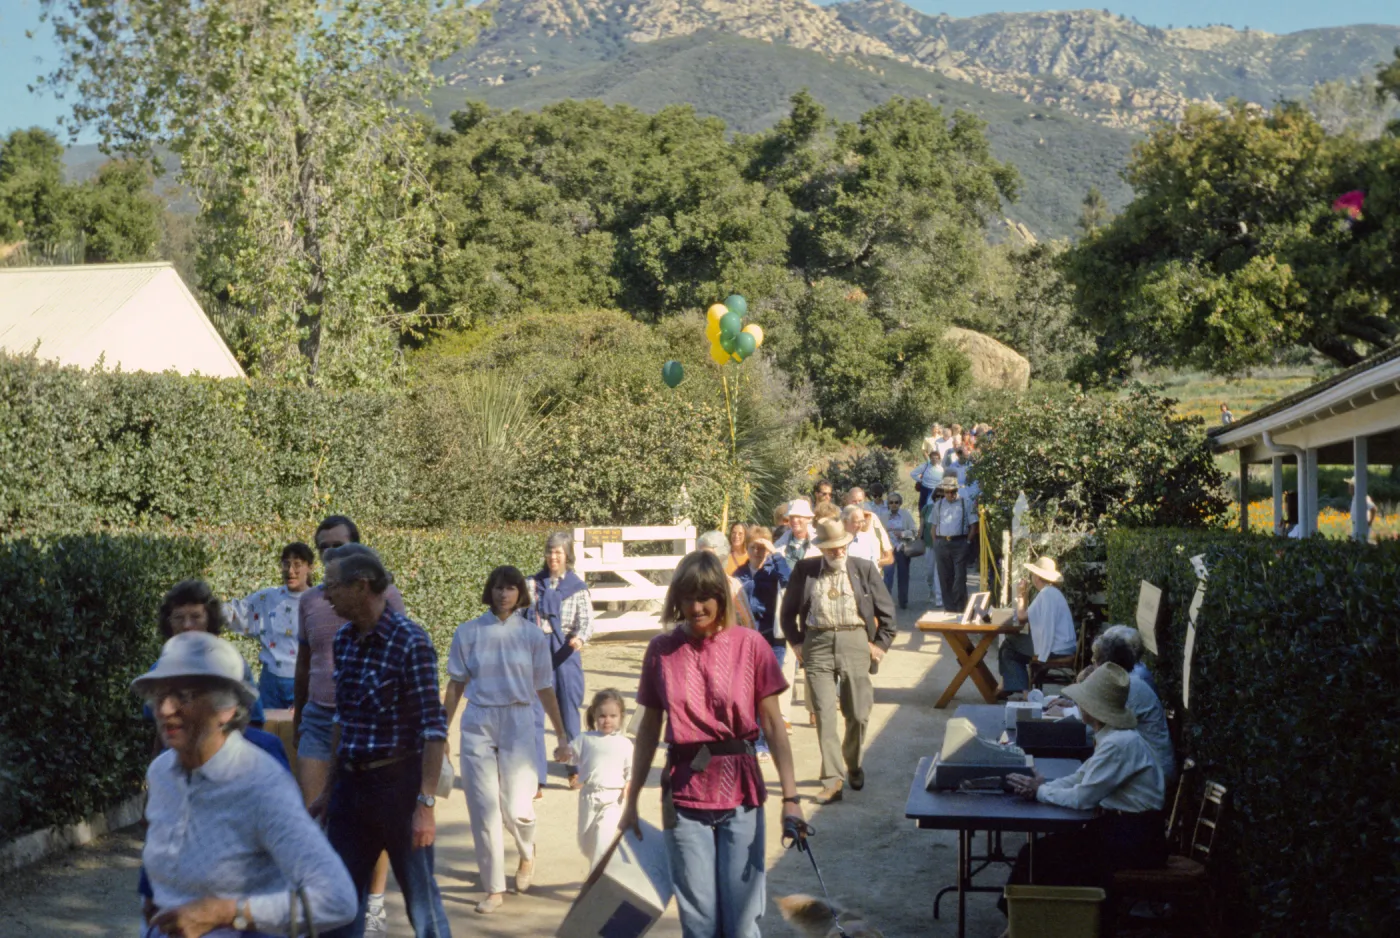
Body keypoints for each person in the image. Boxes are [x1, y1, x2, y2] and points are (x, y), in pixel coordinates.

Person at [621, 550, 803, 938]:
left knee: (741, 923)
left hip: (741, 793)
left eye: (705, 597)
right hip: (684, 797)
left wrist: (792, 798)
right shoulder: (661, 650)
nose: (696, 606)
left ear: (722, 596)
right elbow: (649, 729)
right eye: (687, 597)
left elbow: (772, 721)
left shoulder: (751, 645)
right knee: (699, 922)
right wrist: (632, 797)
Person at [135, 631, 357, 938]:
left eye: (183, 695)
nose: (165, 709)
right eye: (159, 695)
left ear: (225, 708)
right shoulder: (161, 772)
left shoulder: (260, 784)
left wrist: (227, 913)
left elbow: (338, 899)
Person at [312, 544, 452, 938]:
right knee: (337, 903)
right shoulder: (343, 641)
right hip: (350, 791)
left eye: (332, 586)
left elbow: (433, 729)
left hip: (399, 789)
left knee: (423, 906)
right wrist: (328, 789)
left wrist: (424, 805)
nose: (325, 595)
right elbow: (343, 719)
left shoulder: (411, 642)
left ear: (361, 586)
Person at [294, 515, 403, 933]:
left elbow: (399, 653)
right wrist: (301, 713)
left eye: (337, 545)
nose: (329, 553)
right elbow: (305, 662)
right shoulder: (310, 601)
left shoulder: (384, 594)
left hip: (368, 724)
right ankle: (327, 905)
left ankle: (372, 904)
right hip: (321, 719)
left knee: (367, 822)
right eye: (322, 546)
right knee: (314, 815)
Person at [443, 565, 571, 914]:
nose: (504, 594)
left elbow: (545, 687)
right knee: (483, 808)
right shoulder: (467, 632)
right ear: (490, 591)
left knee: (517, 807)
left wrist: (561, 734)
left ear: (520, 594)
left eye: (511, 588)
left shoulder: (532, 636)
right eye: (498, 588)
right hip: (478, 721)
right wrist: (441, 732)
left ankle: (527, 852)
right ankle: (493, 887)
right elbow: (455, 685)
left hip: (518, 720)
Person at [1002, 664, 1166, 919]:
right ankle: (1028, 923)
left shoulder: (1119, 743)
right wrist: (1043, 786)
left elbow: (1082, 797)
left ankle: (1028, 923)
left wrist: (1040, 791)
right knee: (1041, 855)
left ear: (1093, 708)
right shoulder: (1115, 736)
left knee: (1041, 856)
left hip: (1134, 839)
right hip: (1127, 831)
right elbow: (1081, 777)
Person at [780, 518, 896, 805]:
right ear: (821, 549)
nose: (838, 553)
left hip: (855, 641)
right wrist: (796, 643)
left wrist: (879, 646)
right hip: (816, 644)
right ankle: (832, 780)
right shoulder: (805, 571)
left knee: (857, 712)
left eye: (842, 547)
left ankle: (853, 763)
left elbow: (889, 614)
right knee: (824, 714)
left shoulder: (864, 569)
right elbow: (787, 612)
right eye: (832, 549)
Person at [526, 531, 595, 793]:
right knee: (534, 714)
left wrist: (578, 639)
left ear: (568, 555)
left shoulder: (577, 587)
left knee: (568, 712)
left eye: (559, 552)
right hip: (537, 650)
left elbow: (587, 622)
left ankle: (574, 769)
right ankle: (536, 778)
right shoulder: (532, 584)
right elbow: (521, 615)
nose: (553, 557)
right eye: (550, 551)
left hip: (565, 651)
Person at [152, 580, 265, 730]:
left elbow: (255, 720)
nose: (187, 625)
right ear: (169, 623)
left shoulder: (231, 664)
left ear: (209, 620)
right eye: (179, 618)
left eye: (196, 617)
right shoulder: (161, 668)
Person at [226, 541, 315, 710]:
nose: (290, 571)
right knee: (268, 728)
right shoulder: (268, 598)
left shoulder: (318, 601)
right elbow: (238, 612)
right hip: (270, 683)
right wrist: (206, 611)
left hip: (305, 681)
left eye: (297, 565)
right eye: (286, 564)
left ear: (310, 567)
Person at [733, 526, 793, 751]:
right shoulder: (739, 574)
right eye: (753, 547)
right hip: (747, 640)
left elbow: (789, 580)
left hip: (772, 639)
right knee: (748, 691)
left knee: (767, 691)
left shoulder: (775, 571)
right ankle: (751, 738)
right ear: (746, 548)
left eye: (762, 548)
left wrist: (774, 553)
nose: (758, 552)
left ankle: (764, 743)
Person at [1091, 627, 1176, 785]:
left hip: (1153, 774)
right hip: (1146, 764)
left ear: (1106, 665)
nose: (1093, 669)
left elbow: (1101, 724)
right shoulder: (1130, 680)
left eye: (1094, 662)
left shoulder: (1128, 685)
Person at [565, 689, 633, 872]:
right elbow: (570, 756)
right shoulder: (585, 739)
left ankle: (597, 881)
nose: (607, 720)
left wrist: (629, 784)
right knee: (586, 842)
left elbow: (631, 770)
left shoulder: (625, 744)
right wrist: (562, 753)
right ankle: (602, 868)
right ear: (594, 715)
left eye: (613, 716)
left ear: (621, 717)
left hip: (614, 797)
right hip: (589, 795)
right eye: (602, 715)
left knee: (603, 838)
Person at [998, 556, 1079, 695]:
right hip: (1065, 645)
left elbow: (1022, 618)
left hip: (1055, 648)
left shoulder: (1045, 594)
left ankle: (1022, 691)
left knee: (1008, 646)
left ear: (1037, 577)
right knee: (1012, 645)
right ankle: (1008, 685)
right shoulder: (1054, 593)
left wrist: (1020, 595)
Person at [925, 476, 976, 614]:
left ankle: (962, 609)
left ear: (956, 490)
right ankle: (950, 609)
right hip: (942, 543)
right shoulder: (938, 505)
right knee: (944, 578)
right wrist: (936, 542)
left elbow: (973, 525)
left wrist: (968, 542)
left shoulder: (966, 503)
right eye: (947, 492)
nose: (950, 495)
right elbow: (933, 526)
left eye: (952, 491)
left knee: (959, 578)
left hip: (960, 542)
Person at [697, 529, 760, 630]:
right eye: (700, 555)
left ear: (721, 556)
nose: (703, 561)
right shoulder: (693, 583)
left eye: (709, 556)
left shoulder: (732, 585)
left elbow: (748, 622)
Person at [881, 493, 917, 610]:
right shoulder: (883, 516)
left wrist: (902, 534)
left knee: (903, 575)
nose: (894, 505)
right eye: (891, 502)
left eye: (896, 502)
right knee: (887, 576)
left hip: (902, 548)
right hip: (888, 550)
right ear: (888, 504)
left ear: (900, 503)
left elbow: (914, 531)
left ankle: (903, 601)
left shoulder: (905, 515)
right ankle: (886, 601)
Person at [842, 503, 892, 569]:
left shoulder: (871, 536)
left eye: (867, 515)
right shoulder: (841, 538)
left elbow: (889, 558)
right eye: (857, 522)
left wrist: (874, 564)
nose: (865, 518)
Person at [775, 499, 819, 565]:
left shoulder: (818, 543)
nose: (794, 520)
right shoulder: (780, 542)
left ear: (809, 519)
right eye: (791, 517)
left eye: (799, 516)